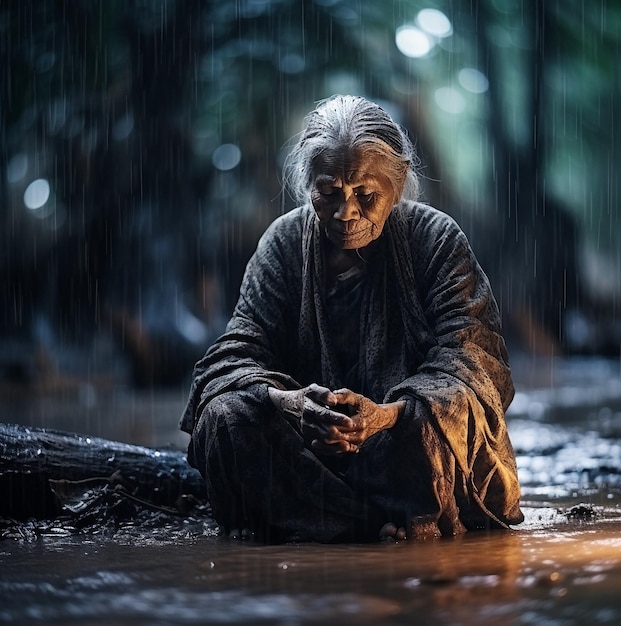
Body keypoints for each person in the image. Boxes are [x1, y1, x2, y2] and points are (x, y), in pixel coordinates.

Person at [180, 95, 523, 543]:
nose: (346, 213)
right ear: (308, 187)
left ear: (397, 186)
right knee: (225, 415)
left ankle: (315, 519)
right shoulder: (282, 244)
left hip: (396, 442)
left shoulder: (436, 240)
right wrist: (292, 404)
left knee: (436, 431)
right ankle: (370, 523)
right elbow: (234, 355)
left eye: (365, 195)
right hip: (309, 449)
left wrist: (383, 417)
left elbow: (475, 366)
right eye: (328, 194)